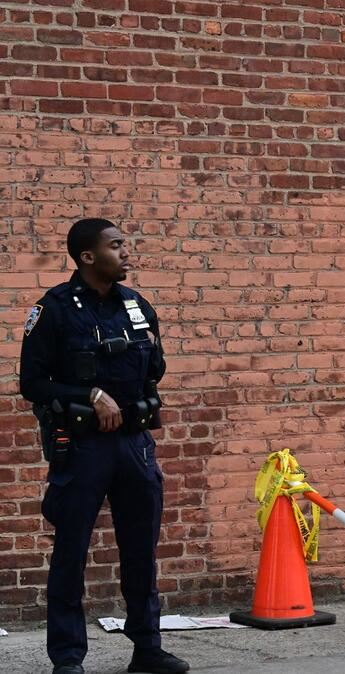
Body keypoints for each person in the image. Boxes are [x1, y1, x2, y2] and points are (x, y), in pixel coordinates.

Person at [19, 219, 188, 674]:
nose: (125, 252)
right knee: (71, 552)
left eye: (124, 244)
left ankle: (147, 648)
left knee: (141, 550)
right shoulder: (54, 309)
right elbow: (32, 382)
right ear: (88, 256)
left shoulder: (136, 306)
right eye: (116, 246)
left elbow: (154, 368)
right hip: (83, 446)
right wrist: (90, 394)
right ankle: (68, 657)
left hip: (134, 444)